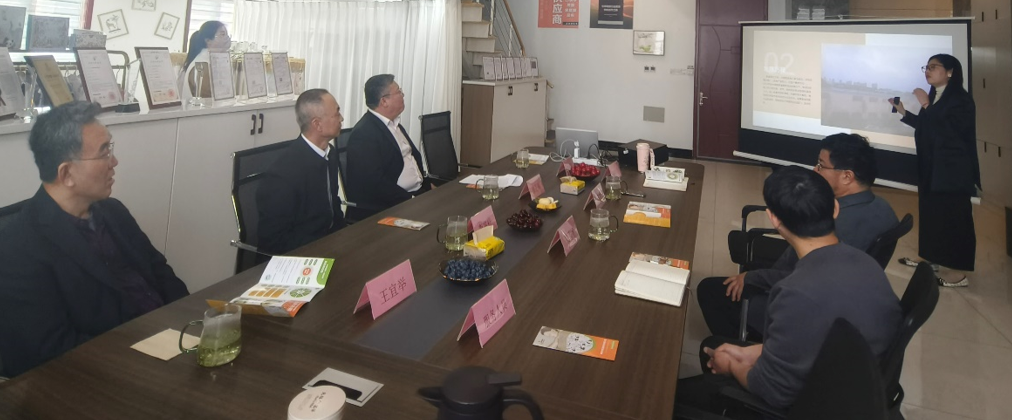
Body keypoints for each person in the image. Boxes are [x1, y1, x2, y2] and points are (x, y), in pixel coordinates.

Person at [676, 167, 901, 415]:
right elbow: (814, 339)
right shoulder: (866, 263)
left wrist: (731, 365)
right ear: (835, 209)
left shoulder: (796, 293)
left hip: (819, 404)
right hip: (858, 387)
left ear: (773, 219)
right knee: (715, 347)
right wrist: (750, 352)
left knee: (673, 396)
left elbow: (772, 390)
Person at [0, 102, 189, 378]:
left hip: (172, 343)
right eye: (104, 153)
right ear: (66, 174)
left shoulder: (113, 212)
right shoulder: (17, 247)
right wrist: (141, 357)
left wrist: (190, 322)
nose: (114, 162)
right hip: (109, 372)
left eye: (110, 148)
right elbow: (51, 349)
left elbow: (160, 272)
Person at [697, 133, 898, 340]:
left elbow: (799, 276)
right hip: (838, 298)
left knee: (709, 290)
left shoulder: (834, 226)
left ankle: (743, 343)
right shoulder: (883, 208)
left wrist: (750, 277)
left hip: (792, 306)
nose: (815, 170)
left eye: (821, 165)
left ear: (847, 176)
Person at [889, 54, 979, 287]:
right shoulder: (935, 96)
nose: (927, 71)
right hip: (932, 168)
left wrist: (926, 105)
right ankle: (930, 258)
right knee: (932, 216)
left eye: (933, 67)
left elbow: (951, 132)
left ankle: (958, 274)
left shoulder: (961, 99)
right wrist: (904, 112)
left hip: (953, 171)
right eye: (926, 67)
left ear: (950, 72)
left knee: (955, 220)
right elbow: (927, 126)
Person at [256, 89, 347, 257]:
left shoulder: (329, 154)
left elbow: (332, 206)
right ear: (317, 124)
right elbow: (273, 241)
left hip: (328, 244)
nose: (341, 118)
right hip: (299, 256)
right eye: (337, 114)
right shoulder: (282, 175)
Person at [345, 74, 429, 221]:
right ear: (384, 101)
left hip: (416, 194)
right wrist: (411, 200)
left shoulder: (395, 125)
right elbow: (375, 183)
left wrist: (427, 187)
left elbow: (412, 161)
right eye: (398, 91)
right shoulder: (364, 134)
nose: (403, 95)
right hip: (389, 207)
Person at [179, 21, 230, 102]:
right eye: (223, 34)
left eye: (227, 35)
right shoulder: (202, 64)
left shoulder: (214, 60)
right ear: (208, 41)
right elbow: (208, 99)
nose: (227, 38)